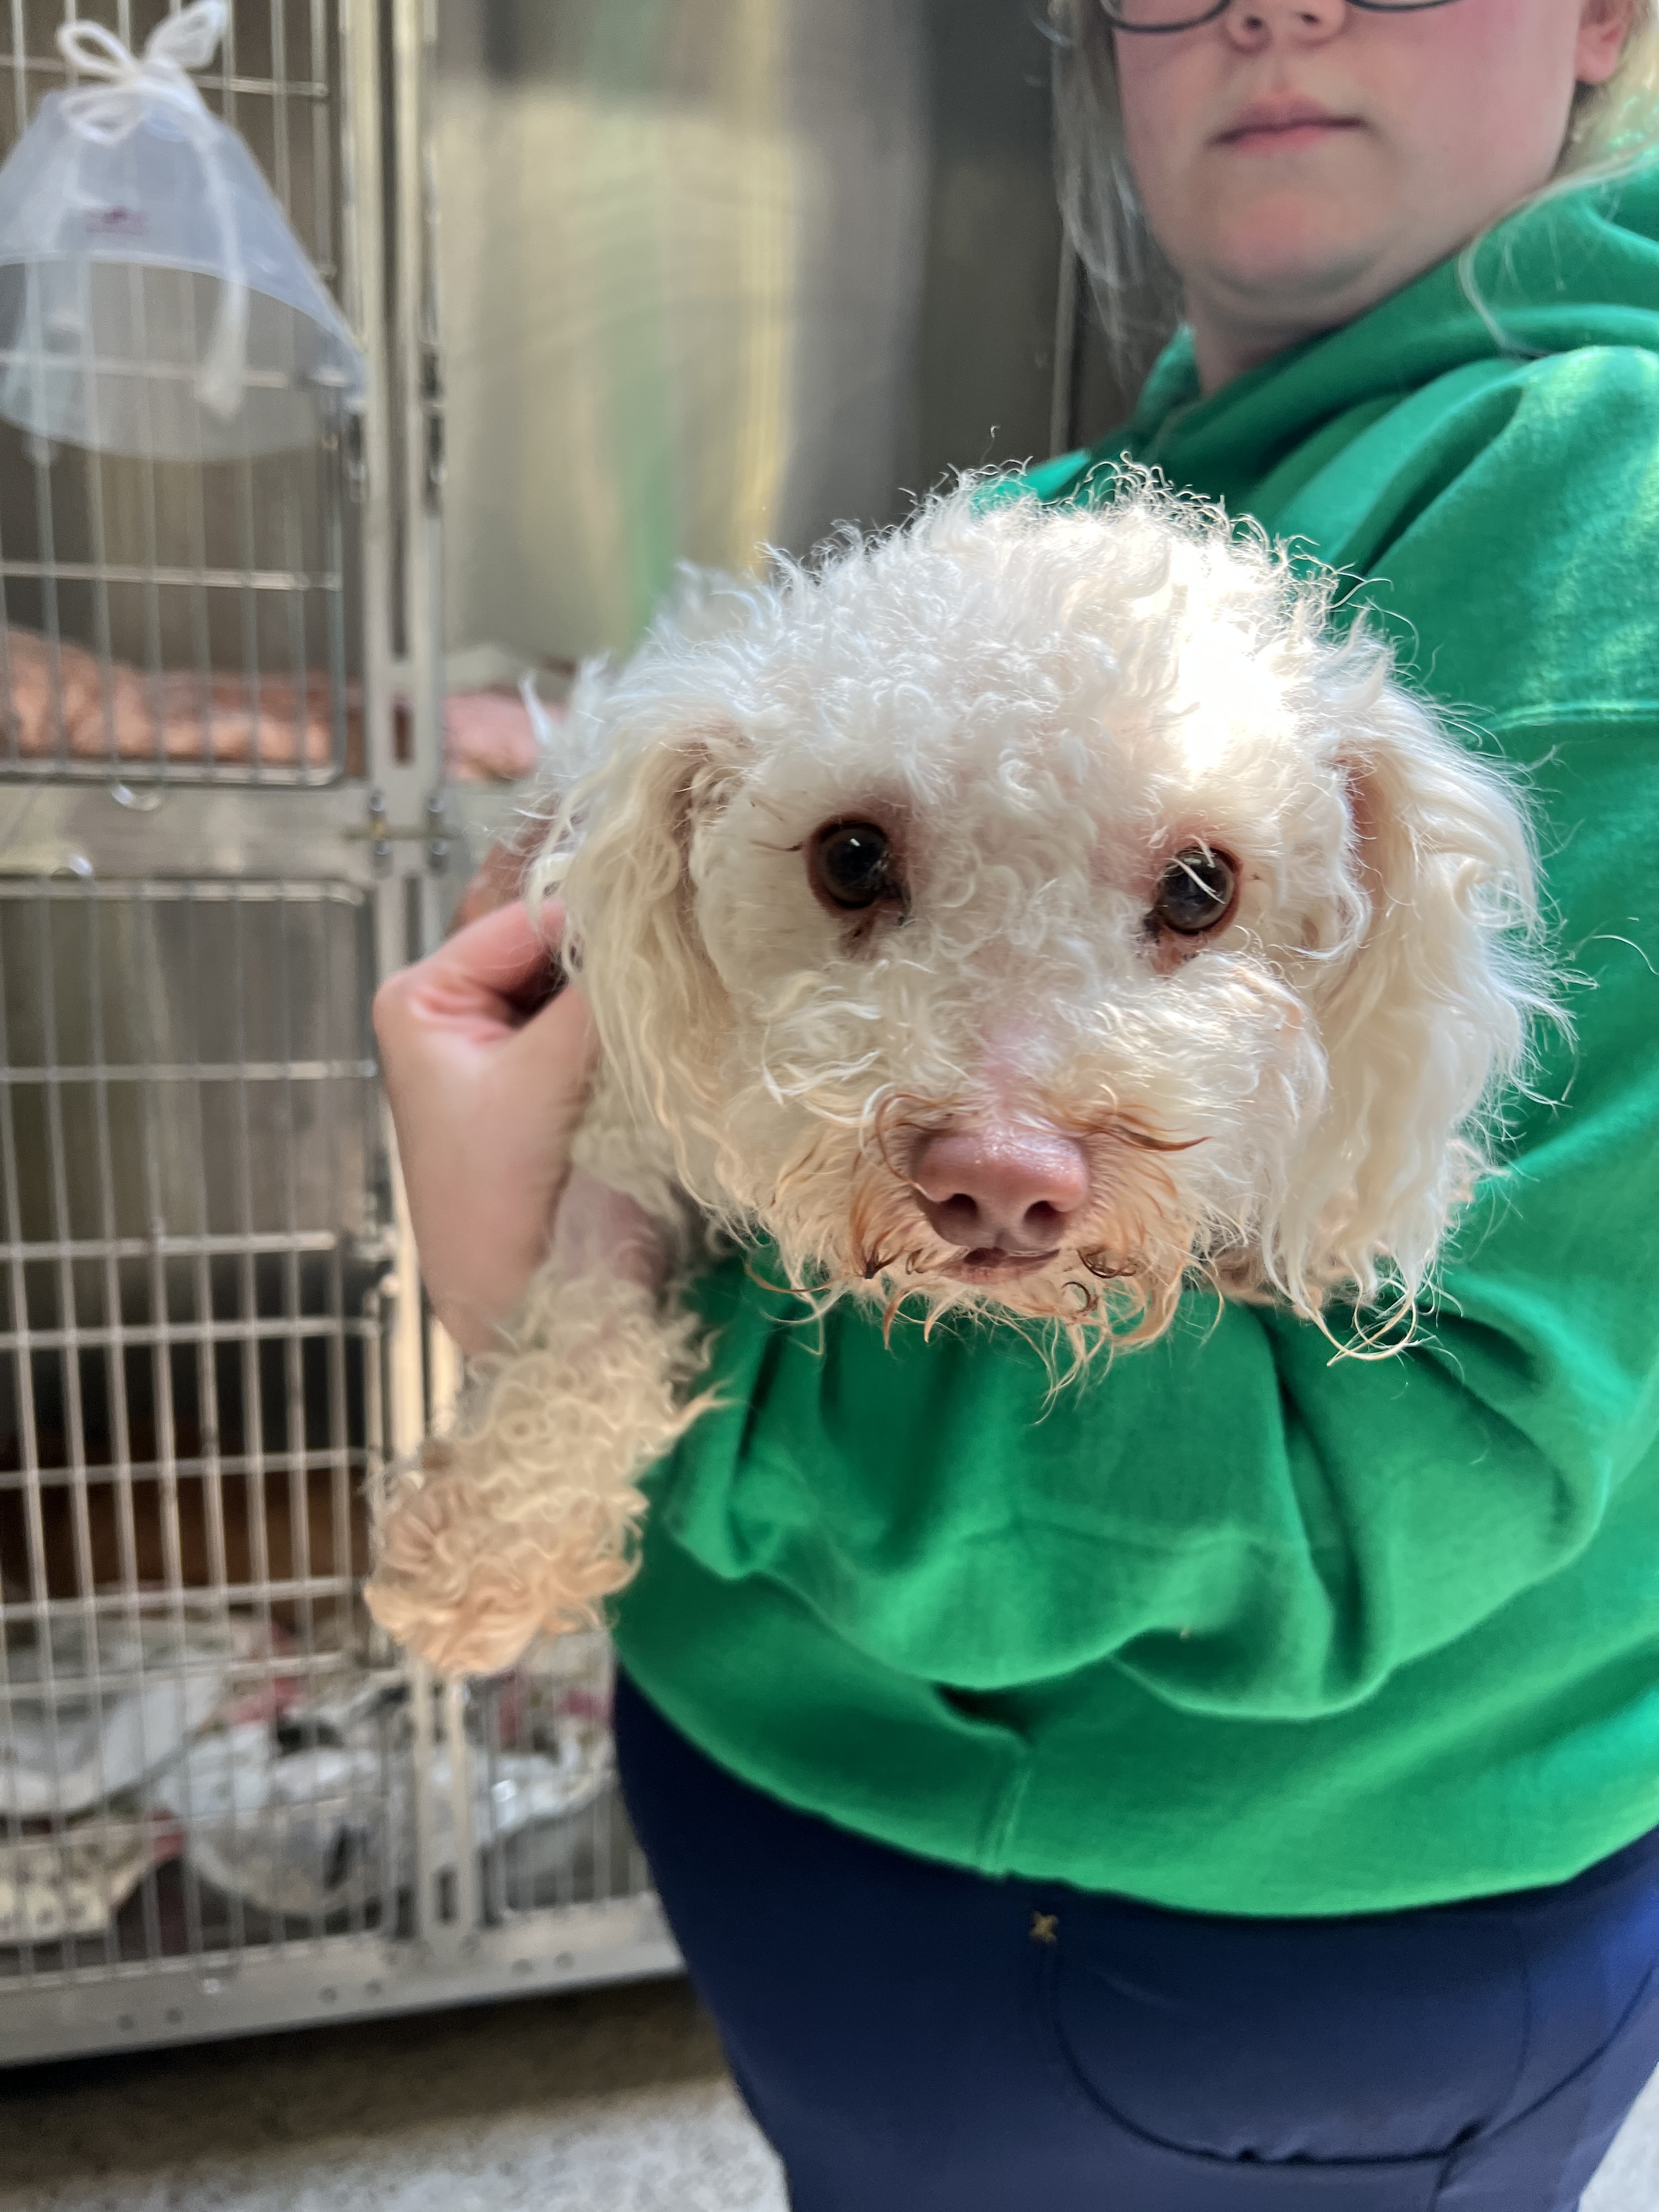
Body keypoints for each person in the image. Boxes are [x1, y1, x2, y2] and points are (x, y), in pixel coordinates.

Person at [373, 3, 1659, 2205]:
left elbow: (1393, 1473)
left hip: (1193, 1955)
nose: (1275, 1)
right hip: (901, 1859)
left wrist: (541, 1285)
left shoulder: (1607, 509)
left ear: (1613, 15)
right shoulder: (1083, 496)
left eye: (1191, 893)